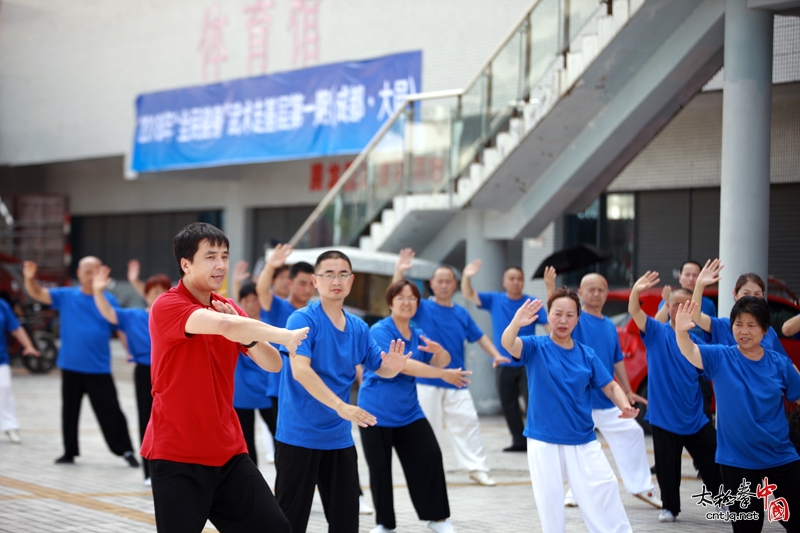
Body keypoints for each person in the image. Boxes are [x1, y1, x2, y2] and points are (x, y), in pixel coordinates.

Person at [141, 222, 307, 533]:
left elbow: (273, 364)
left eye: (225, 256)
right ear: (185, 264)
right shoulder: (168, 305)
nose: (220, 265)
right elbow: (224, 327)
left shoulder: (228, 308)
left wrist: (248, 336)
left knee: (275, 528)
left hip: (228, 453)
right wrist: (285, 335)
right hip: (178, 454)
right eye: (210, 257)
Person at [275, 249, 412, 533]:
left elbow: (379, 368)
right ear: (315, 281)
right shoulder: (302, 320)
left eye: (342, 274)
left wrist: (394, 367)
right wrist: (341, 406)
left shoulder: (360, 328)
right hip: (299, 436)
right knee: (289, 523)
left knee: (346, 522)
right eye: (328, 274)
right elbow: (300, 370)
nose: (336, 280)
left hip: (338, 439)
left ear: (351, 280)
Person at [501, 289, 636, 533]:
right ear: (549, 316)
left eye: (570, 315)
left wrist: (624, 406)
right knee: (550, 501)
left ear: (577, 318)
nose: (563, 320)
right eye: (558, 314)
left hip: (582, 438)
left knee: (604, 487)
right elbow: (508, 343)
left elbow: (610, 386)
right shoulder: (535, 347)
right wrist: (516, 322)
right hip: (544, 439)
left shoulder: (587, 354)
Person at [675, 297, 800, 533]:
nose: (744, 331)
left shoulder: (779, 364)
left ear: (764, 329)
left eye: (751, 325)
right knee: (747, 527)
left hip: (780, 456)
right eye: (738, 324)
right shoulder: (721, 357)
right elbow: (690, 351)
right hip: (738, 461)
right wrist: (681, 331)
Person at [543, 267, 661, 509]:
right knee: (577, 447)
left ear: (607, 293)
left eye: (601, 289)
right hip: (580, 400)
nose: (596, 294)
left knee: (633, 432)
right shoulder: (577, 319)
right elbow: (556, 316)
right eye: (591, 289)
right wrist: (549, 288)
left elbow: (617, 360)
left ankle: (641, 487)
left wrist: (627, 391)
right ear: (580, 293)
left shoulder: (609, 325)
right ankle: (574, 491)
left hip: (607, 399)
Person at [361, 280, 471, 533]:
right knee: (380, 469)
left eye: (412, 299)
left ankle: (438, 519)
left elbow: (442, 361)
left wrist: (439, 350)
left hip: (409, 411)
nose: (407, 303)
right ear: (390, 303)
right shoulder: (380, 331)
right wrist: (441, 374)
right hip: (375, 411)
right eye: (401, 298)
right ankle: (384, 524)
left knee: (430, 455)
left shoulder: (418, 333)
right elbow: (404, 366)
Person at [393, 248, 507, 486]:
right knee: (426, 429)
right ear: (432, 284)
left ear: (454, 285)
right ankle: (422, 471)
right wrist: (399, 271)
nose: (444, 285)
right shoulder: (421, 307)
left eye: (448, 281)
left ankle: (477, 468)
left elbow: (480, 337)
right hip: (426, 380)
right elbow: (396, 297)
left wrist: (496, 355)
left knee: (468, 423)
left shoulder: (461, 313)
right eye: (440, 281)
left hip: (457, 379)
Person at [24, 256, 139, 467]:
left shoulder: (108, 300)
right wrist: (30, 279)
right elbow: (37, 293)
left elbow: (120, 326)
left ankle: (126, 450)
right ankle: (69, 451)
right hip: (71, 365)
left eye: (95, 271)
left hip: (98, 367)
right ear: (78, 273)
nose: (91, 275)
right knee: (70, 410)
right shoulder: (67, 296)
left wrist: (129, 350)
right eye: (87, 271)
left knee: (111, 410)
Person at [628, 271, 722, 522]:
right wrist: (636, 290)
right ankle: (669, 507)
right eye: (675, 304)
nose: (680, 308)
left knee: (714, 457)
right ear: (667, 307)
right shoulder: (657, 332)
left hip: (694, 416)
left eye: (686, 305)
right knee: (668, 467)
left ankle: (723, 501)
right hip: (664, 417)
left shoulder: (697, 343)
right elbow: (635, 312)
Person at [93, 265, 171, 484]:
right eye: (153, 292)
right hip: (145, 371)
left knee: (171, 420)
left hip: (169, 371)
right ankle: (148, 471)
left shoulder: (176, 317)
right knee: (147, 419)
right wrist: (98, 292)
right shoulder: (134, 316)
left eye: (162, 291)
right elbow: (109, 314)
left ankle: (170, 467)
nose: (158, 296)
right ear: (145, 295)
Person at [461, 260, 549, 452]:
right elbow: (468, 294)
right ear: (504, 281)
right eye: (512, 278)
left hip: (528, 361)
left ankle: (538, 439)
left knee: (533, 401)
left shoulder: (532, 303)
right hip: (503, 361)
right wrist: (467, 276)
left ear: (523, 282)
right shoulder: (494, 299)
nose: (516, 282)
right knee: (508, 405)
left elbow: (548, 326)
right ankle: (519, 441)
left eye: (519, 279)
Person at [690, 260, 789, 356]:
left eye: (757, 294)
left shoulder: (768, 330)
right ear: (735, 294)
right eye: (746, 293)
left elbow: (787, 365)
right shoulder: (723, 325)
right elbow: (696, 316)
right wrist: (699, 285)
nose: (752, 298)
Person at [230, 282, 277, 467]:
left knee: (279, 438)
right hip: (242, 395)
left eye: (254, 299)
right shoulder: (236, 327)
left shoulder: (269, 325)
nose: (250, 304)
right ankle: (251, 485)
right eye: (246, 300)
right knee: (246, 444)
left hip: (268, 392)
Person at [0, 296, 40, 444]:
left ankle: (10, 426)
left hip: (1, 358)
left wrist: (28, 345)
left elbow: (15, 327)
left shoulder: (2, 305)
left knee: (5, 388)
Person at [654, 260, 717, 324]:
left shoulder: (709, 304)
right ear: (680, 278)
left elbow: (712, 328)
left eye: (695, 275)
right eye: (687, 275)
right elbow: (658, 324)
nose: (691, 279)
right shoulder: (669, 300)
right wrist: (667, 302)